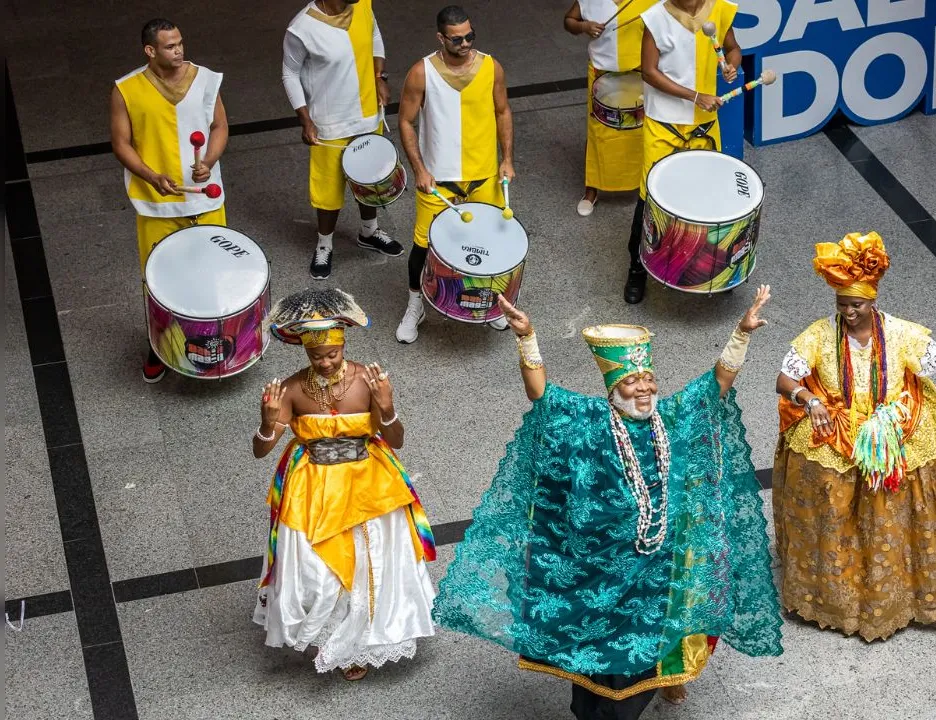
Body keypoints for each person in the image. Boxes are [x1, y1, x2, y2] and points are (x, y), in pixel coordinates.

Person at [434, 286, 783, 718]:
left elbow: (716, 385)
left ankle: (657, 685)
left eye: (648, 382)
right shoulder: (589, 421)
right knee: (599, 669)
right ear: (613, 389)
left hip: (661, 567)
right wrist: (527, 337)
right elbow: (542, 396)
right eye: (632, 383)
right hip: (598, 568)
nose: (643, 391)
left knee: (654, 648)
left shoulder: (671, 416)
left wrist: (742, 333)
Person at [773, 232, 936, 641]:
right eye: (842, 304)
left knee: (893, 505)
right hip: (838, 425)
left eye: (856, 304)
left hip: (892, 425)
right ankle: (833, 596)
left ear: (873, 301)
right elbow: (785, 376)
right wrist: (809, 399)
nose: (848, 312)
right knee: (833, 507)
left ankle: (904, 594)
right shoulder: (817, 335)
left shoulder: (900, 333)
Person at [252, 288, 437, 680]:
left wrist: (386, 408)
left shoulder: (367, 380)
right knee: (318, 572)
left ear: (343, 344)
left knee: (372, 564)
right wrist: (268, 424)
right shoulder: (289, 389)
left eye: (332, 354)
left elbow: (397, 438)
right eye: (316, 356)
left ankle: (358, 645)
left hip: (369, 482)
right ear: (305, 352)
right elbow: (260, 450)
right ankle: (330, 637)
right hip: (313, 488)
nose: (324, 362)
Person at [111, 18, 229, 383]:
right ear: (150, 50)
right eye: (169, 46)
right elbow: (121, 143)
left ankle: (211, 342)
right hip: (156, 204)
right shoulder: (126, 89)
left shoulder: (207, 79)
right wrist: (150, 176)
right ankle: (159, 345)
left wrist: (207, 162)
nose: (179, 50)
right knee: (159, 281)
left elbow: (220, 127)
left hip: (206, 201)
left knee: (212, 274)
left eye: (180, 43)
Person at [394, 5, 516, 343]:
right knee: (423, 245)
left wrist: (507, 159)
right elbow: (405, 121)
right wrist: (419, 169)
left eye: (470, 36)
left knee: (490, 241)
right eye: (457, 39)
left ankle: (491, 302)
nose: (465, 44)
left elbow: (503, 111)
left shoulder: (492, 67)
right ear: (441, 38)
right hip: (438, 181)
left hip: (484, 176)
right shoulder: (421, 72)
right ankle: (415, 304)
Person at [623, 0, 741, 304]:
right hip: (664, 121)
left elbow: (733, 47)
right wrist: (695, 95)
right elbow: (648, 72)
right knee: (649, 193)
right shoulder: (655, 19)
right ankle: (636, 266)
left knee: (710, 192)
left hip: (702, 121)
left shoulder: (719, 10)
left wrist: (731, 65)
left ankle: (714, 267)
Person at [282, 0, 402, 281]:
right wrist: (305, 119)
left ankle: (369, 232)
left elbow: (374, 37)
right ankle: (324, 244)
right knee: (328, 189)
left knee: (369, 178)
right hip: (329, 121)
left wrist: (379, 76)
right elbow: (290, 73)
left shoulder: (363, 7)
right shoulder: (301, 28)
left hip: (367, 112)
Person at [563, 0, 659, 216]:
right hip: (602, 71)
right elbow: (568, 21)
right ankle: (591, 190)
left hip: (639, 71)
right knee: (599, 133)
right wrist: (583, 27)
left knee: (641, 132)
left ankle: (646, 188)